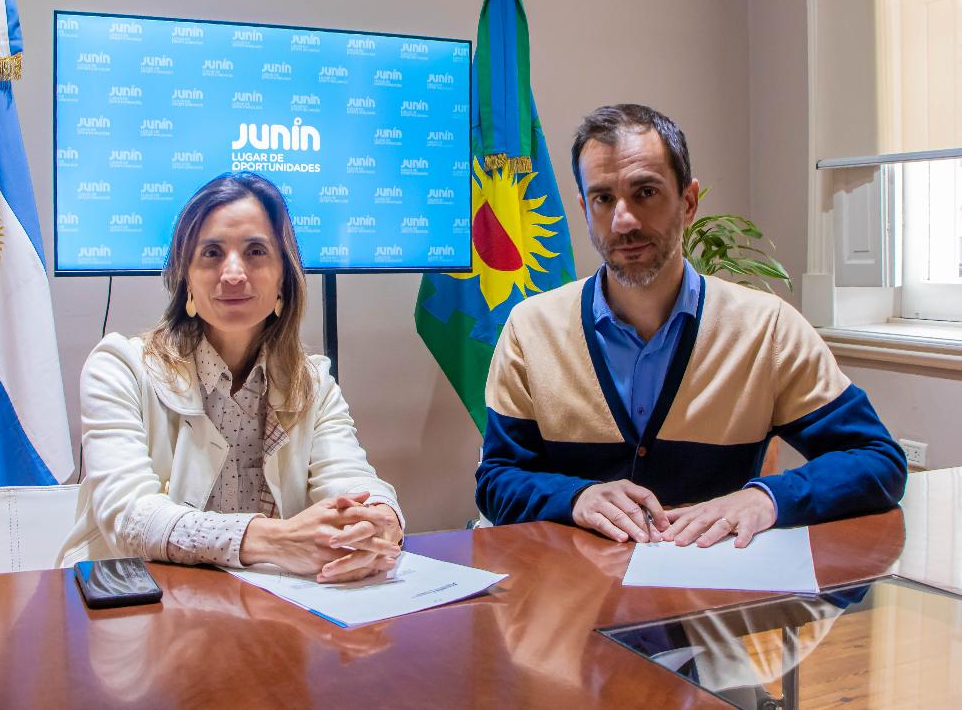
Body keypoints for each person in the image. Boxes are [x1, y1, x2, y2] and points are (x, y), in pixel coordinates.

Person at [476, 104, 906, 548]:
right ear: (585, 208)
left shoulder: (767, 330)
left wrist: (767, 499)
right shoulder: (531, 329)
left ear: (688, 202)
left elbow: (877, 459)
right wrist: (575, 497)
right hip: (571, 584)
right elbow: (497, 479)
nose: (623, 220)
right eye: (603, 199)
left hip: (707, 584)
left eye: (645, 192)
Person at [58, 172, 403, 582]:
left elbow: (350, 479)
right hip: (139, 605)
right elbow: (129, 516)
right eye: (212, 253)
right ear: (186, 279)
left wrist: (380, 518)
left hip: (266, 608)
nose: (234, 273)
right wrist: (274, 540)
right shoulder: (120, 367)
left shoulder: (313, 383)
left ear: (283, 278)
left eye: (256, 251)